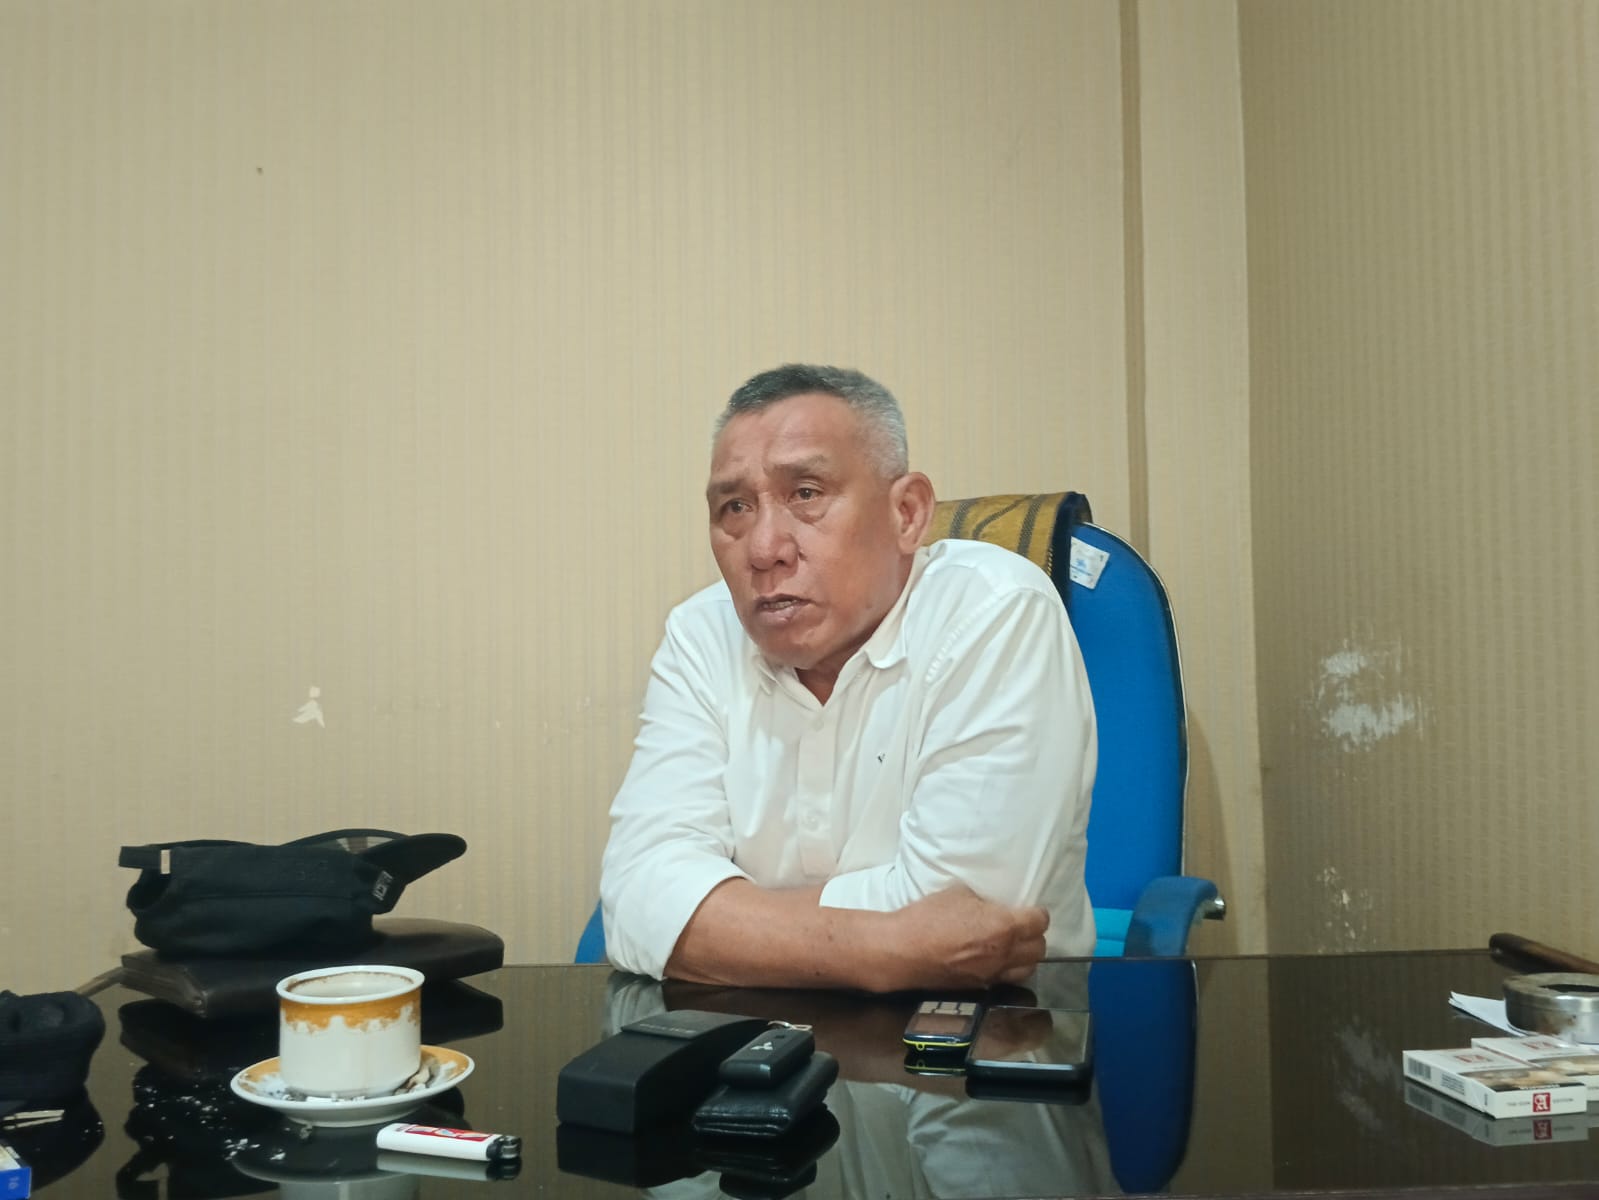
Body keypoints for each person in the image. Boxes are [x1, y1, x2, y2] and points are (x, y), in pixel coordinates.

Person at [600, 364, 1096, 991]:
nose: (765, 548)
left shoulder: (995, 613)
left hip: (996, 1033)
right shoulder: (701, 634)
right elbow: (635, 897)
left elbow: (974, 924)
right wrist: (886, 948)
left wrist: (711, 922)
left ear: (907, 514)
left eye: (806, 494)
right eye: (735, 507)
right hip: (749, 1033)